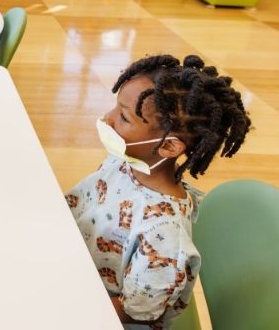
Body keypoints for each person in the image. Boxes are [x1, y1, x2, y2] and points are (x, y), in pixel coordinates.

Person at [65, 54, 251, 330]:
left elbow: (135, 311)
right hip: (75, 271)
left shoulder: (164, 236)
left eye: (124, 117)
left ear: (168, 147)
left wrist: (62, 303)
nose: (107, 118)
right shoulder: (122, 163)